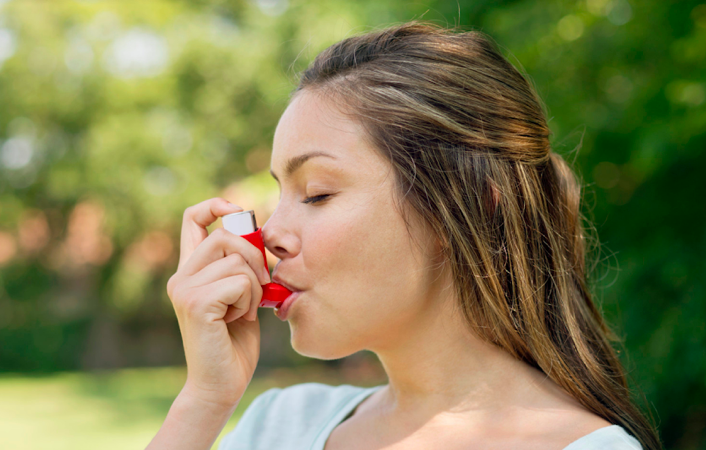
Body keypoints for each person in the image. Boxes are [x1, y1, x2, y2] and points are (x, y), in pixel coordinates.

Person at [147, 22, 661, 450]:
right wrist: (203, 402)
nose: (270, 234)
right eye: (279, 194)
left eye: (318, 193)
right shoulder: (278, 426)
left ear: (469, 203)